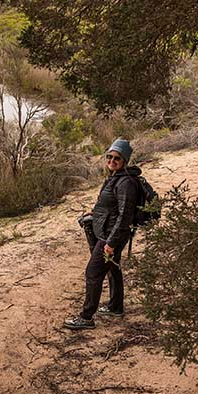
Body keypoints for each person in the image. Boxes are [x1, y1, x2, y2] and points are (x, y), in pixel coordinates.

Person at [64, 138, 141, 330]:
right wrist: (95, 212)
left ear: (125, 160)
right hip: (107, 231)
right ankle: (115, 307)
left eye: (117, 158)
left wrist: (111, 242)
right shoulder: (115, 177)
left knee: (93, 272)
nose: (112, 161)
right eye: (110, 156)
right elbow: (112, 206)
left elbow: (124, 216)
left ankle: (86, 317)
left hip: (112, 235)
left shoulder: (125, 183)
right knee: (113, 268)